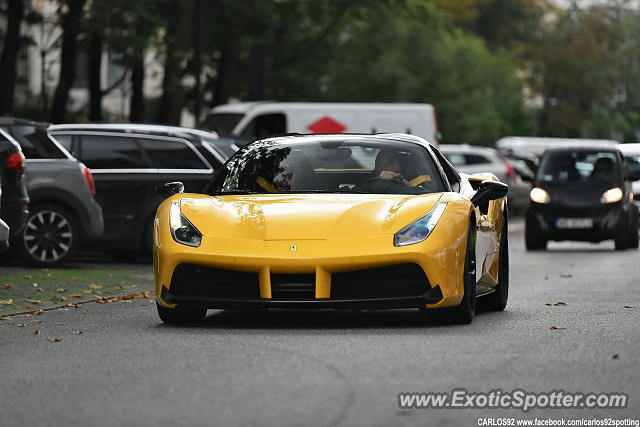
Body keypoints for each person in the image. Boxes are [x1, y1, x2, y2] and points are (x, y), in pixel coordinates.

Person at [355, 149, 422, 194]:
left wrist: (397, 177)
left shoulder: (418, 180)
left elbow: (425, 195)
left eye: (389, 163)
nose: (384, 167)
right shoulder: (367, 184)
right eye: (380, 163)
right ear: (375, 168)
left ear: (399, 165)